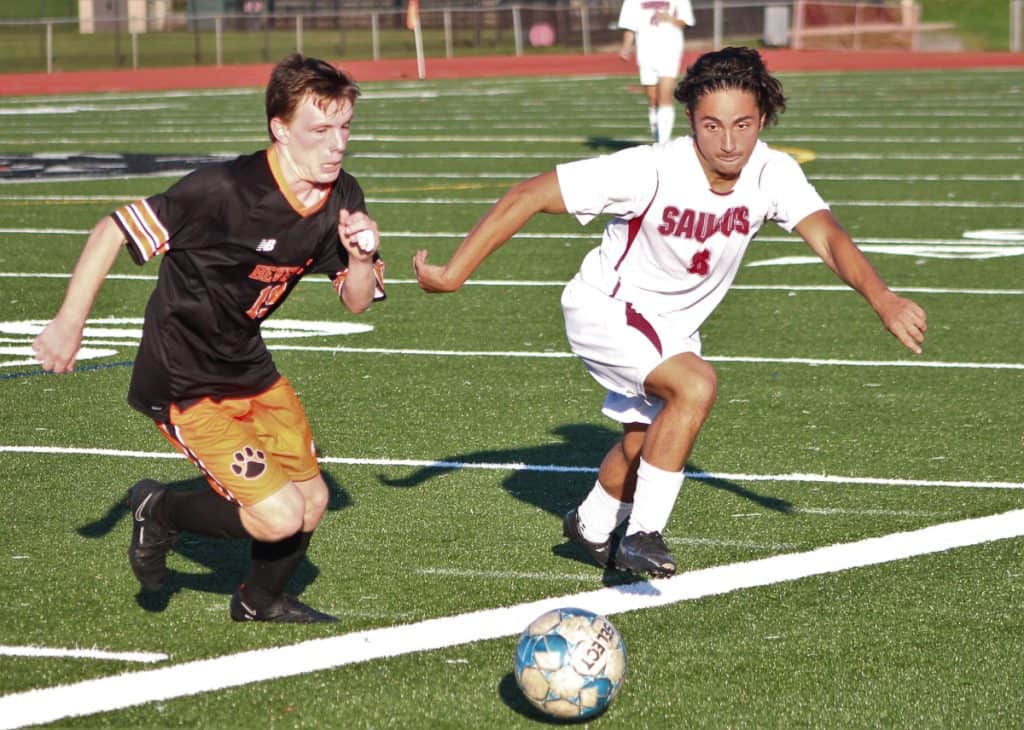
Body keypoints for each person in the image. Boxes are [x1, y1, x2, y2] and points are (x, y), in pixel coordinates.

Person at [413, 46, 926, 579]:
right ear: (690, 121)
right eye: (712, 125)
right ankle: (642, 535)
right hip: (608, 307)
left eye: (743, 124)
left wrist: (882, 297)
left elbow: (828, 236)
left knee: (646, 442)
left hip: (673, 326)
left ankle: (589, 527)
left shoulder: (775, 173)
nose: (728, 142)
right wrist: (454, 273)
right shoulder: (653, 168)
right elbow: (531, 193)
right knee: (695, 386)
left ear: (764, 119)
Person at [32, 53, 385, 622]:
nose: (337, 144)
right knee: (278, 515)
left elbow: (357, 300)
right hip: (183, 378)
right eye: (320, 130)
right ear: (280, 129)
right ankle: (161, 507)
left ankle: (258, 601)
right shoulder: (223, 190)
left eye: (344, 127)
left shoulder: (343, 195)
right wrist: (69, 322)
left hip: (249, 367)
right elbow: (113, 228)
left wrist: (361, 255)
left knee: (313, 502)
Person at [618, 0, 696, 143]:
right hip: (645, 52)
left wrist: (670, 18)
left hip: (670, 51)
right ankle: (657, 139)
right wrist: (626, 47)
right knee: (653, 99)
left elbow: (686, 23)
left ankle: (663, 144)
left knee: (665, 95)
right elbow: (629, 25)